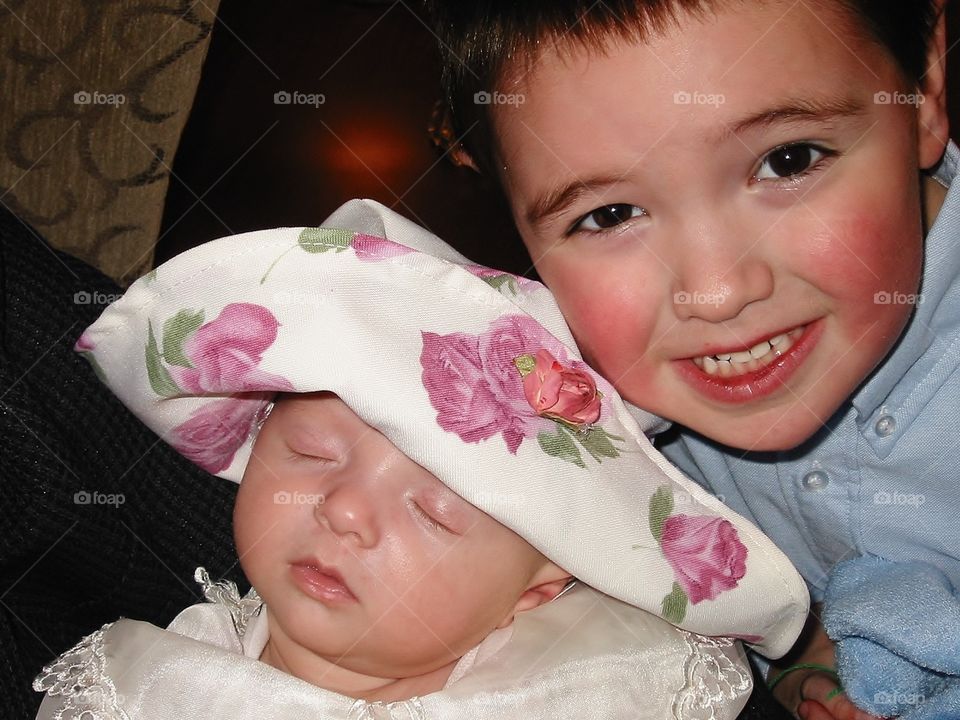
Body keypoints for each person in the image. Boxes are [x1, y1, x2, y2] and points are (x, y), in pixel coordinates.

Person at [33, 204, 808, 719]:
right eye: (309, 451)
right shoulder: (141, 687)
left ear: (539, 589)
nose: (340, 510)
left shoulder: (601, 685)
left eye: (435, 511)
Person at [422, 1, 958, 719]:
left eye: (787, 160)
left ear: (921, 88)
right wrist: (800, 663)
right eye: (609, 215)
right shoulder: (574, 407)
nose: (716, 291)